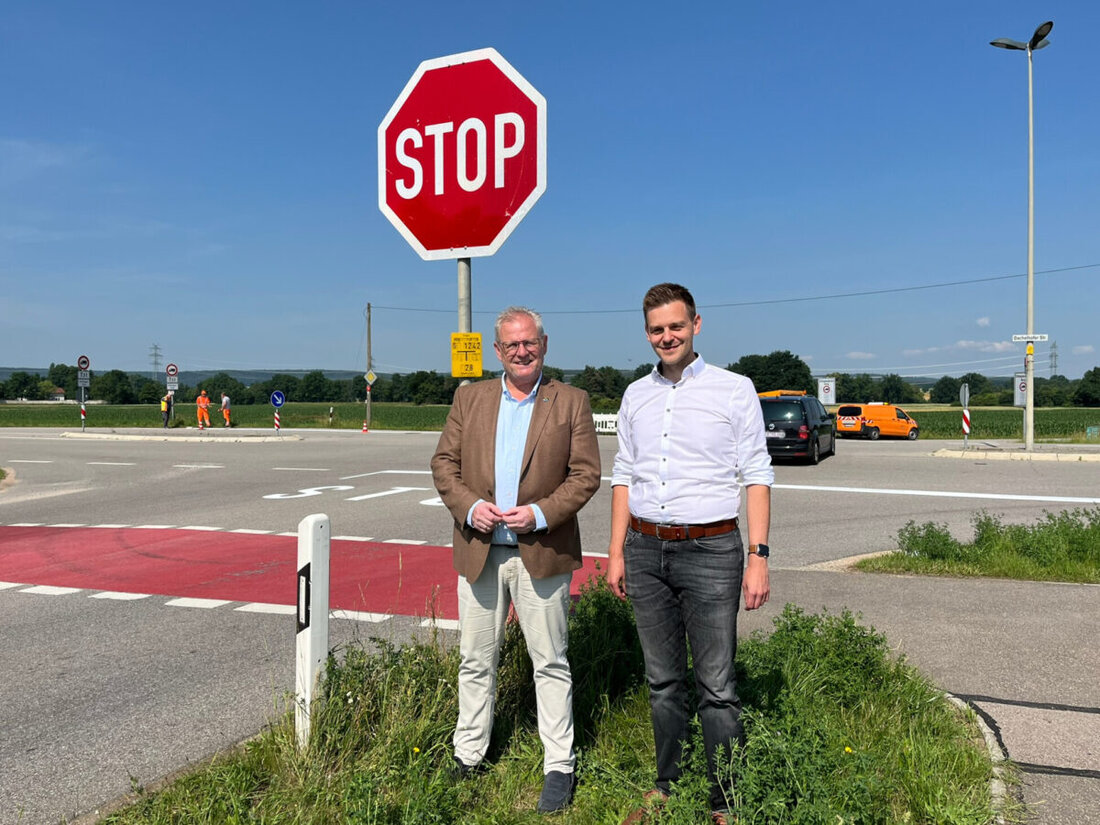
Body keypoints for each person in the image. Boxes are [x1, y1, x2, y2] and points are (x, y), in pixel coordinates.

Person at [607, 283, 773, 825]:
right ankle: (667, 787)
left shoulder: (734, 389)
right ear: (646, 333)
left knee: (717, 686)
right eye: (657, 329)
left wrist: (758, 557)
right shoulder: (636, 395)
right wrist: (616, 553)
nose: (667, 336)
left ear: (696, 325)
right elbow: (624, 475)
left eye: (676, 326)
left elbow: (757, 474)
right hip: (644, 548)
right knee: (662, 681)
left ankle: (726, 799)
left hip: (711, 550)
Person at [431, 306, 601, 814]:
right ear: (498, 351)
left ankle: (559, 766)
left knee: (550, 662)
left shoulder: (571, 401)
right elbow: (444, 463)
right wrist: (469, 507)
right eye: (512, 345)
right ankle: (469, 754)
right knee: (475, 660)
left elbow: (586, 475)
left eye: (530, 343)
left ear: (544, 345)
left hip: (541, 553)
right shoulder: (470, 398)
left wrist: (540, 514)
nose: (522, 352)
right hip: (480, 552)